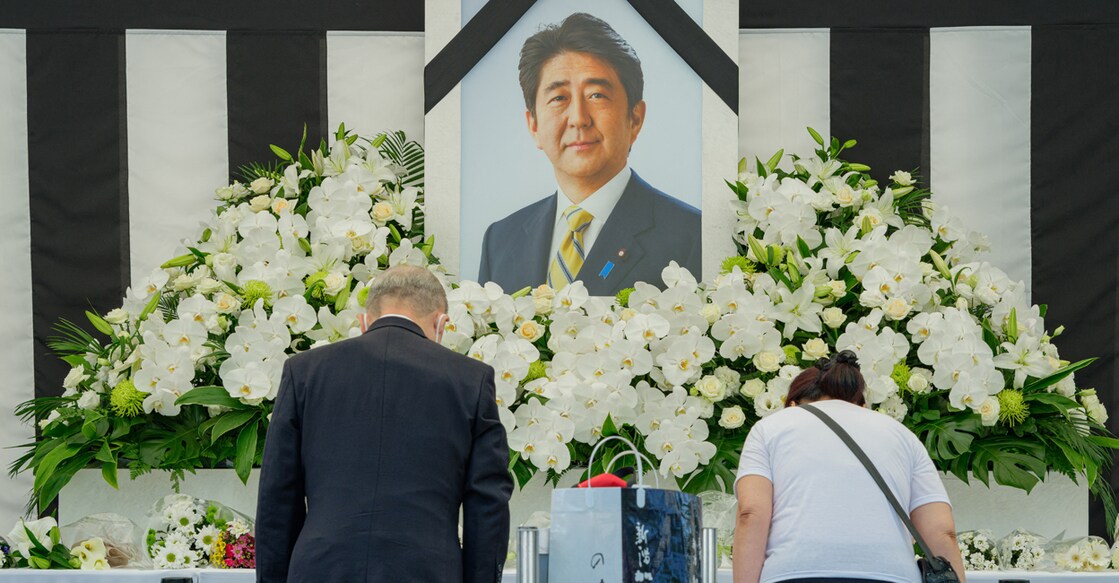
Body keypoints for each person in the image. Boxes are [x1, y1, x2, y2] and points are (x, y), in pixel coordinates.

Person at [256, 265, 513, 583]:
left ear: (363, 322)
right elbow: (487, 506)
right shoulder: (471, 380)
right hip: (428, 572)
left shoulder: (304, 371)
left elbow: (277, 498)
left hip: (320, 570)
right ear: (441, 323)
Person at [478, 12, 701, 297]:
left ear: (635, 118)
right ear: (533, 125)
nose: (579, 119)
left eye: (596, 95)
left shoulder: (692, 235)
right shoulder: (500, 241)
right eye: (559, 98)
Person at [733, 351, 966, 583]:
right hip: (891, 575)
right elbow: (942, 532)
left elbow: (751, 513)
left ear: (792, 403)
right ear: (862, 404)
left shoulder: (770, 428)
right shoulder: (902, 435)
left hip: (794, 572)